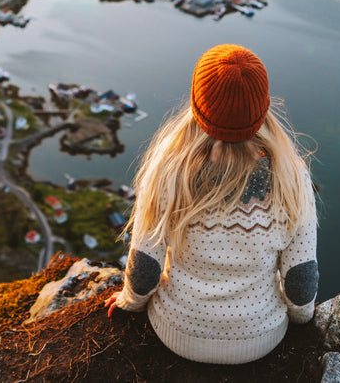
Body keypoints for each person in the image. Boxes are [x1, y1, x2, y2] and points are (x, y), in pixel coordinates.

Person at [106, 43, 318, 364]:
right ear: (262, 107)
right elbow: (300, 278)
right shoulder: (292, 177)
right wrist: (302, 317)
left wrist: (130, 302)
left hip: (176, 330)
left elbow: (145, 268)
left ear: (197, 103)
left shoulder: (168, 171)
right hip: (262, 336)